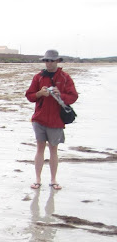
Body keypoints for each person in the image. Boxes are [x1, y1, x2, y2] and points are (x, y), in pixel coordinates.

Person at [25, 49, 78, 190]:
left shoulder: (65, 77)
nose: (49, 63)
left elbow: (73, 97)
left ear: (57, 61)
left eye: (52, 60)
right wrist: (39, 94)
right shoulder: (38, 77)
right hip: (39, 119)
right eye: (47, 60)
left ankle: (54, 180)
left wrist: (60, 95)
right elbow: (29, 96)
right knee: (40, 148)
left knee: (53, 150)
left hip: (56, 120)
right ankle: (37, 179)